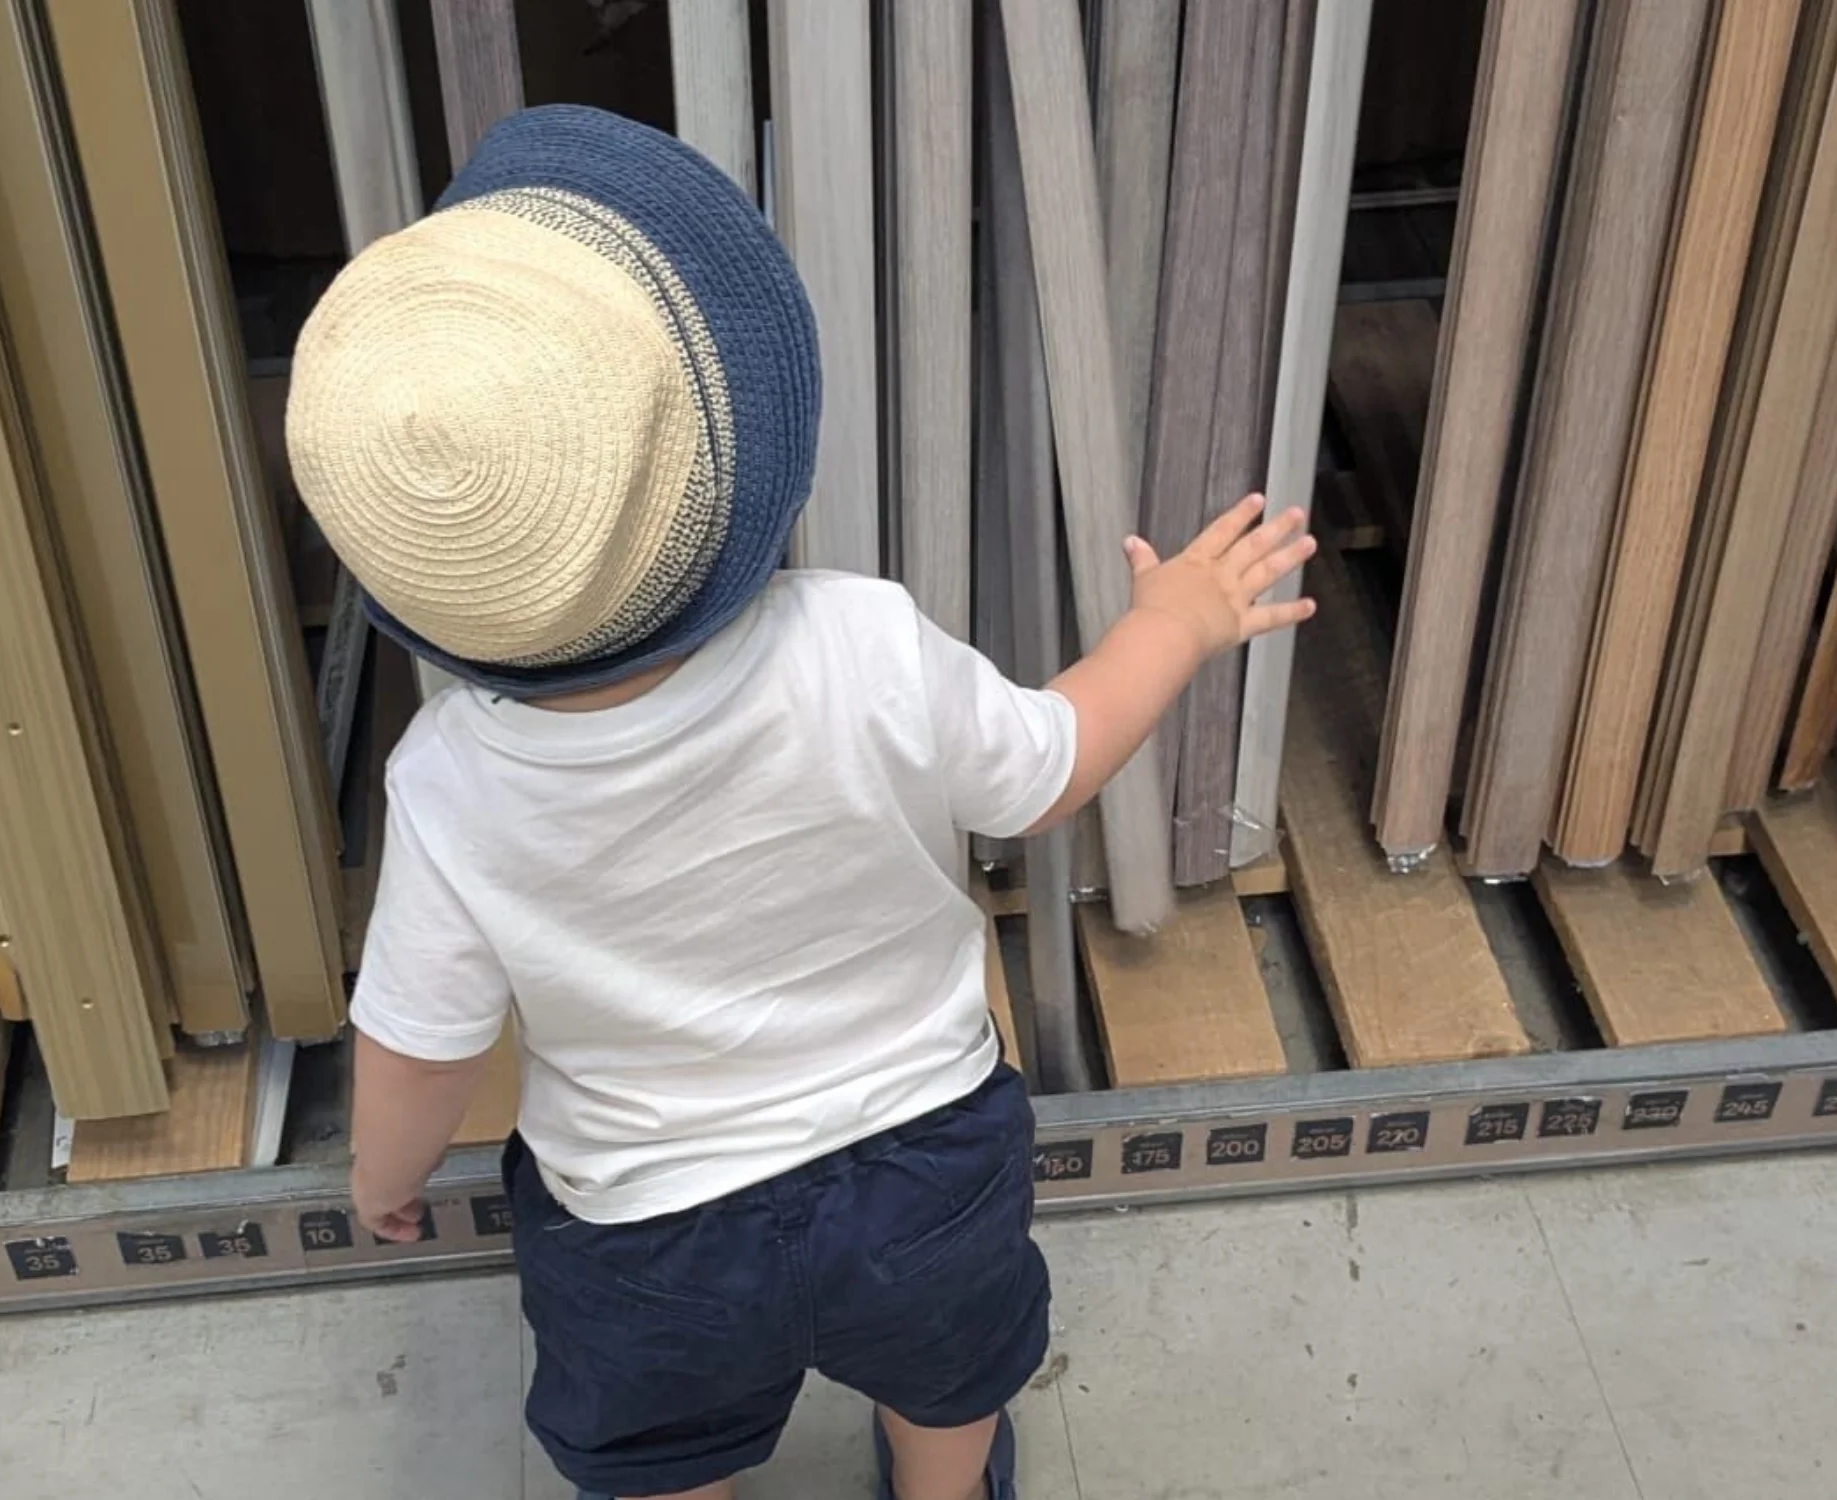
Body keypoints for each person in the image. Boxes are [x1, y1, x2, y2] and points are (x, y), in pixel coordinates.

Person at [289, 105, 1315, 1500]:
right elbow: (1049, 763)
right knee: (952, 1372)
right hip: (928, 1159)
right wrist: (1178, 626)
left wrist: (379, 1181)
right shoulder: (863, 641)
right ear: (740, 467)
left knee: (662, 1450)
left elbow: (418, 1045)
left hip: (650, 1236)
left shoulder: (451, 787)